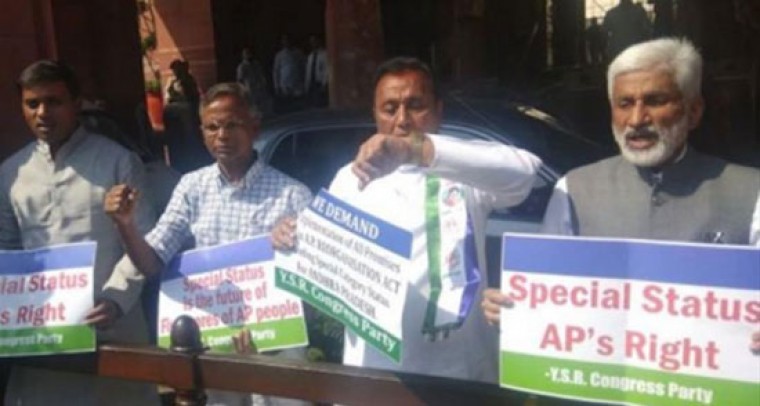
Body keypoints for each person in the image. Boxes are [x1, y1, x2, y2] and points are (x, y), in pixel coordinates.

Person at [273, 57, 542, 383]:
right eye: (389, 109)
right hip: (376, 373)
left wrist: (414, 150)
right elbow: (323, 260)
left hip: (460, 371)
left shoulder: (463, 170)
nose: (402, 120)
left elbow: (525, 173)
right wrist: (291, 237)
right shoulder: (350, 178)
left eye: (415, 106)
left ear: (438, 110)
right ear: (375, 115)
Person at [482, 39, 760, 348]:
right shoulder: (575, 189)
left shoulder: (750, 193)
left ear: (693, 112)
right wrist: (514, 309)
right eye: (624, 103)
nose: (637, 119)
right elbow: (545, 296)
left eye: (655, 101)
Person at [104, 82, 312, 405]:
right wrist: (125, 225)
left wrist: (292, 245)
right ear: (202, 133)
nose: (222, 135)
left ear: (254, 128)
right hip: (216, 349)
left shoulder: (293, 195)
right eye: (212, 127)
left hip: (276, 349)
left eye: (233, 125)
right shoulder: (191, 188)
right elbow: (152, 262)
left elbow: (313, 281)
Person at [0, 60, 158, 405]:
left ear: (76, 103)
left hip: (111, 325)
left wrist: (115, 299)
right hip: (43, 336)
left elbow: (145, 241)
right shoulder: (11, 173)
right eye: (32, 103)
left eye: (54, 101)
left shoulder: (118, 161)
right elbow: (8, 252)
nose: (43, 113)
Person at [272, 35, 305, 111]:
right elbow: (276, 71)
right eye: (284, 41)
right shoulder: (279, 55)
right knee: (287, 105)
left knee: (298, 104)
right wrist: (277, 86)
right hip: (284, 84)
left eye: (288, 40)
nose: (287, 42)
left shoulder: (298, 53)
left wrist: (304, 81)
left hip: (297, 82)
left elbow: (303, 67)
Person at [237, 47, 272, 117]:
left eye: (249, 53)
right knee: (252, 103)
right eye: (246, 54)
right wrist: (242, 89)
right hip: (249, 87)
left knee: (261, 101)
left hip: (259, 86)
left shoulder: (256, 64)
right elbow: (240, 79)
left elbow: (260, 74)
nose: (248, 55)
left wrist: (263, 82)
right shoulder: (242, 66)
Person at [304, 35, 329, 107]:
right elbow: (308, 72)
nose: (313, 43)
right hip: (312, 84)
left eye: (315, 41)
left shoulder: (324, 54)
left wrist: (324, 83)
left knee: (320, 103)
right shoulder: (310, 56)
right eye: (311, 42)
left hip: (320, 82)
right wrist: (306, 85)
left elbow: (326, 69)